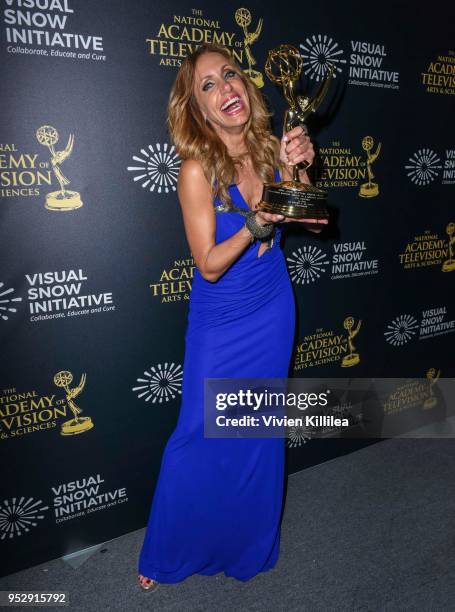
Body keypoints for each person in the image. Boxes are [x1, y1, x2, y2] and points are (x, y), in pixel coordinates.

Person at [137, 43, 328, 591]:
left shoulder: (273, 148)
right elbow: (209, 265)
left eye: (230, 75)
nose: (225, 89)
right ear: (197, 108)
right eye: (208, 86)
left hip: (272, 308)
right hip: (221, 322)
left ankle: (247, 544)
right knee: (198, 432)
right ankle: (167, 549)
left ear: (245, 85)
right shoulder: (196, 170)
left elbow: (314, 220)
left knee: (258, 432)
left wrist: (302, 169)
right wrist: (257, 224)